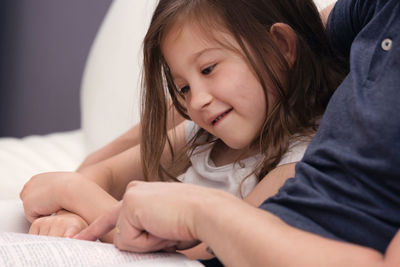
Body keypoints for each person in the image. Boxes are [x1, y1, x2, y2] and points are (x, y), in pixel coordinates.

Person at [75, 0, 400, 266]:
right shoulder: (200, 133)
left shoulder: (294, 159)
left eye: (208, 70)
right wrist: (77, 191)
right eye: (184, 88)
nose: (197, 101)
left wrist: (76, 199)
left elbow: (196, 255)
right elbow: (302, 35)